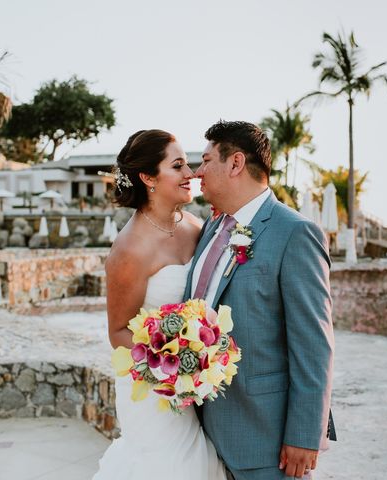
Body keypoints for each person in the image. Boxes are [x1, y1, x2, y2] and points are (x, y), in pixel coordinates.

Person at [184, 120, 335, 480]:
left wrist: (304, 434)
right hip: (202, 432)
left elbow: (314, 344)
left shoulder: (295, 232)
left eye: (206, 161)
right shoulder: (211, 228)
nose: (197, 171)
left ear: (235, 163)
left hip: (266, 438)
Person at [93, 129, 227, 479]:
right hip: (152, 390)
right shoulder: (130, 249)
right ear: (149, 177)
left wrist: (200, 359)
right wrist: (174, 364)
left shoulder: (196, 226)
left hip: (192, 388)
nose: (191, 174)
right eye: (179, 166)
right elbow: (118, 331)